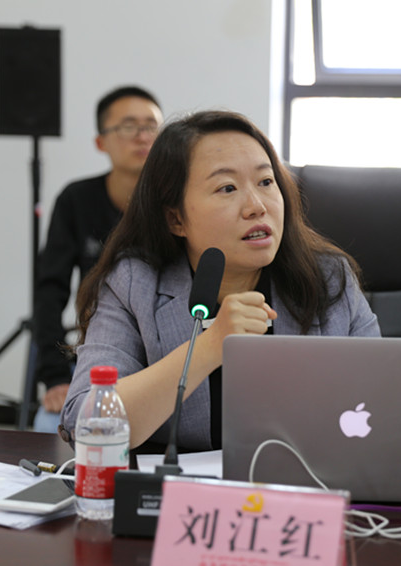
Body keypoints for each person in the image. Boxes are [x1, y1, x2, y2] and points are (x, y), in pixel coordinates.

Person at [59, 110, 381, 449]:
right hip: (182, 482)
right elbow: (87, 421)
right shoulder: (134, 284)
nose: (256, 206)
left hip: (304, 478)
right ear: (176, 219)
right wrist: (210, 345)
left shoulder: (329, 279)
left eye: (266, 182)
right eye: (227, 188)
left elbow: (385, 400)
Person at [32, 86, 164, 433]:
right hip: (101, 356)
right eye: (128, 126)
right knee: (49, 426)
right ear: (100, 142)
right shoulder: (76, 200)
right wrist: (56, 377)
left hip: (164, 358)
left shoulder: (179, 204)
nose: (142, 136)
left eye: (151, 126)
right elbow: (49, 292)